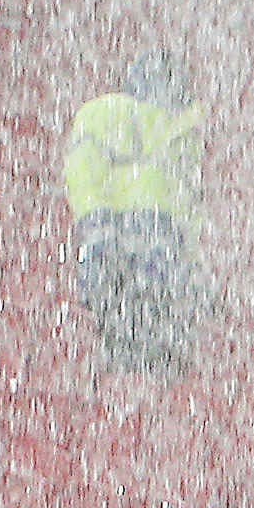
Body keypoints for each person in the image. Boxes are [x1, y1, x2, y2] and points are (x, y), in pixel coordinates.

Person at [63, 53, 205, 376]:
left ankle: (134, 357)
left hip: (133, 233)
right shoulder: (179, 130)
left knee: (122, 303)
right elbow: (187, 198)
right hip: (156, 235)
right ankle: (148, 359)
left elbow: (83, 172)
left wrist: (97, 225)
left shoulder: (101, 113)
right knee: (149, 305)